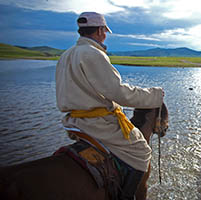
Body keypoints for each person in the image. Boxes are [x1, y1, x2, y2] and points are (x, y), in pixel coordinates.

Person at [55, 12, 164, 200]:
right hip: (96, 122)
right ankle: (126, 197)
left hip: (73, 122)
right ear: (100, 31)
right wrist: (154, 96)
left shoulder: (66, 54)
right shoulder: (93, 53)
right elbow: (118, 92)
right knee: (141, 150)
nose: (104, 35)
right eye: (104, 31)